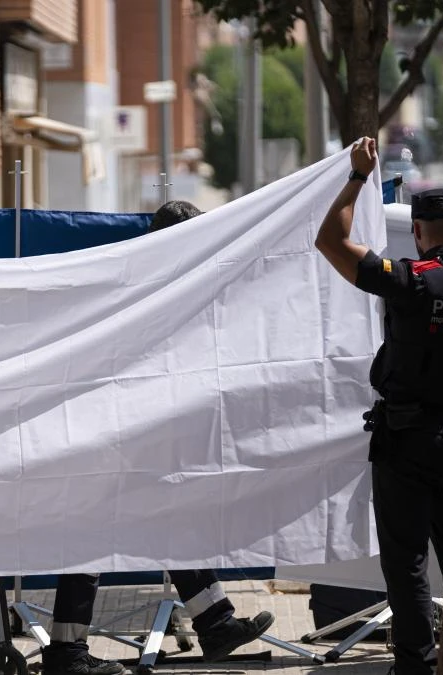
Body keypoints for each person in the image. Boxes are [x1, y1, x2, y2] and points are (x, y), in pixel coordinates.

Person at [40, 200, 276, 675]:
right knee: (90, 537)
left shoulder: (166, 282)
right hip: (111, 430)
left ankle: (215, 622)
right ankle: (66, 655)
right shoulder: (134, 282)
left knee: (170, 517)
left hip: (143, 429)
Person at [313, 137, 443, 675]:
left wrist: (358, 176)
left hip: (407, 442)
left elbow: (330, 240)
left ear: (422, 231)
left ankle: (416, 664)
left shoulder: (409, 280)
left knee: (406, 563)